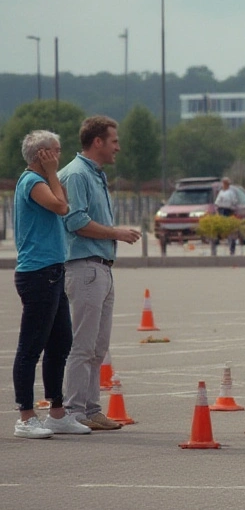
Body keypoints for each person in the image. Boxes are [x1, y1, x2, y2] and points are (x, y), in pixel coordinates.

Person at [59, 116, 142, 431]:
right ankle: (74, 411)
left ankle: (91, 409)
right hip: (85, 267)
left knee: (97, 345)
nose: (117, 147)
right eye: (113, 141)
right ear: (97, 142)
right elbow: (75, 221)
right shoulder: (78, 175)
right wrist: (115, 234)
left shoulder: (95, 174)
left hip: (101, 267)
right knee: (82, 344)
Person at [12, 131, 92, 438]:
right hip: (38, 273)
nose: (59, 156)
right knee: (31, 346)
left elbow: (62, 202)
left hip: (54, 271)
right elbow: (61, 207)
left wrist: (51, 176)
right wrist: (49, 174)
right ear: (40, 155)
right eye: (54, 152)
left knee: (60, 344)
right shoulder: (32, 182)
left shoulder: (44, 181)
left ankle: (57, 413)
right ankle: (26, 416)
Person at [213, 177, 244, 255]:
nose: (223, 185)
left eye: (224, 183)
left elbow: (234, 202)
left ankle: (232, 249)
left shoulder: (231, 193)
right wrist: (217, 210)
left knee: (231, 230)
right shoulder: (221, 192)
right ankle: (216, 245)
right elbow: (217, 202)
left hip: (228, 211)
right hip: (221, 210)